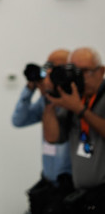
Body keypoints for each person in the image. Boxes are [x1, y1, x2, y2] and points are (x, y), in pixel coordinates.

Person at [43, 47, 105, 213]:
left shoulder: (83, 103)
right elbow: (52, 137)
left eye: (84, 71)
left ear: (101, 71)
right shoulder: (75, 100)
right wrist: (50, 98)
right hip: (85, 197)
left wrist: (80, 110)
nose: (79, 77)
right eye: (74, 71)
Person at [12, 49, 73, 214]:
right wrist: (30, 89)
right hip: (48, 181)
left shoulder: (74, 101)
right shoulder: (45, 99)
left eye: (55, 67)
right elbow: (18, 120)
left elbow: (53, 137)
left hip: (69, 186)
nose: (49, 72)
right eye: (47, 66)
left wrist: (48, 98)